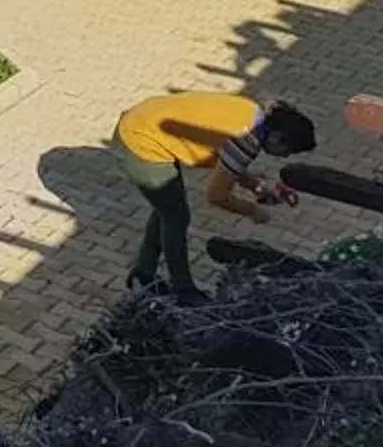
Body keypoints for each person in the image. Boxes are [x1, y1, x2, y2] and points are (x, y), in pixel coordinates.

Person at [113, 91, 317, 303]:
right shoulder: (247, 139)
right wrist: (254, 211)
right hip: (141, 140)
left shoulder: (253, 115)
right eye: (287, 151)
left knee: (167, 208)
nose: (284, 157)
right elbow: (217, 196)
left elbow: (227, 161)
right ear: (276, 137)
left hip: (144, 119)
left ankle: (143, 275)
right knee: (176, 216)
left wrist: (257, 186)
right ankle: (183, 290)